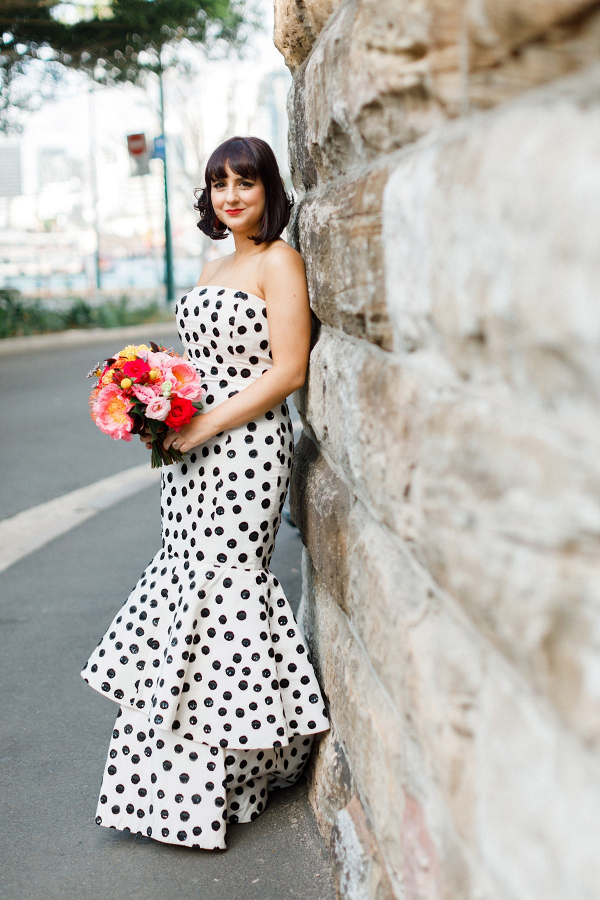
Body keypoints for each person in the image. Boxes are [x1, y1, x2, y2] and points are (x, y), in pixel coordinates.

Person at [81, 136, 329, 850]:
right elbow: (201, 363)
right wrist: (158, 401)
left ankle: (227, 775)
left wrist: (205, 426)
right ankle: (168, 772)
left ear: (267, 189)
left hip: (246, 449)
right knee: (183, 582)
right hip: (191, 450)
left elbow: (287, 371)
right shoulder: (216, 262)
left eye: (244, 182)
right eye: (219, 183)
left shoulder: (280, 261)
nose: (230, 196)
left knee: (224, 589)